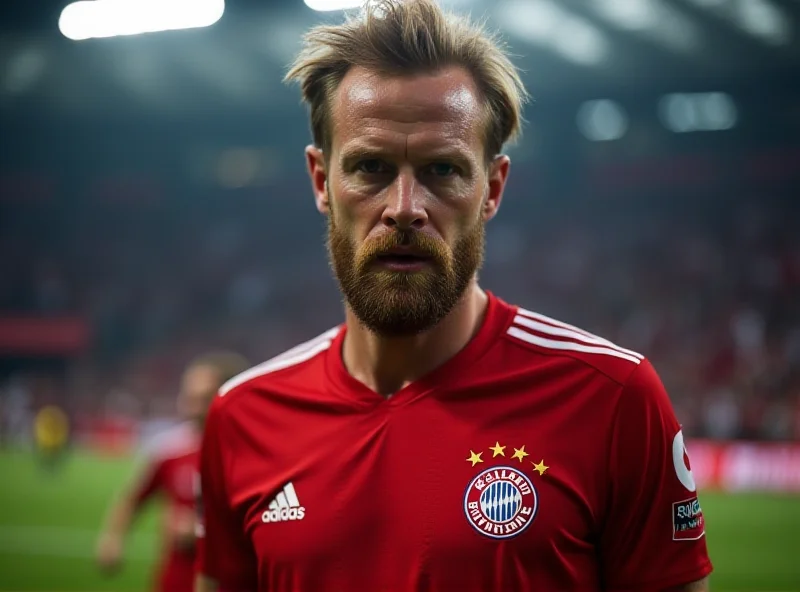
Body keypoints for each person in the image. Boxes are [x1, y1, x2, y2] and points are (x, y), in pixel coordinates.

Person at [195, 1, 713, 590]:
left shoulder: (614, 400)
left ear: (492, 188)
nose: (405, 208)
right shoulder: (242, 416)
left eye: (443, 170)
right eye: (370, 167)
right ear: (321, 181)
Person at [95, 351, 249, 592]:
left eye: (203, 398)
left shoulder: (251, 456)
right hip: (177, 582)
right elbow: (132, 498)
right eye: (188, 397)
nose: (192, 407)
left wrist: (204, 531)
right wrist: (112, 540)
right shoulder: (170, 450)